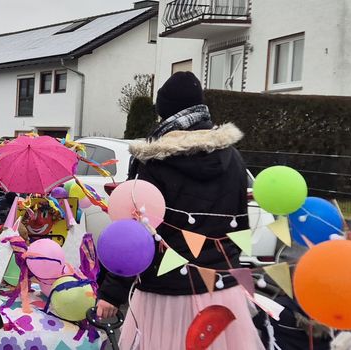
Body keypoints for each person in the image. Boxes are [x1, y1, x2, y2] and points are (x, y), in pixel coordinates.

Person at [95, 72, 264, 349]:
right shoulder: (233, 157)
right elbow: (239, 226)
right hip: (223, 289)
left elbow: (137, 233)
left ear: (164, 111)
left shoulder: (154, 161)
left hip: (165, 295)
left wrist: (112, 294)